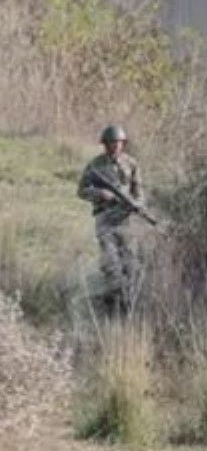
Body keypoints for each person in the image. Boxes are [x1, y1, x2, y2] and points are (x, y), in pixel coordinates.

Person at [76, 124, 145, 312]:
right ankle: (112, 301)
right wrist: (100, 194)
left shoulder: (131, 164)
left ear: (123, 144)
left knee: (130, 261)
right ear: (105, 144)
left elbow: (139, 192)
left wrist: (137, 204)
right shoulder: (95, 165)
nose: (115, 146)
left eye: (119, 143)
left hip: (126, 219)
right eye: (111, 143)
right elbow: (81, 191)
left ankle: (129, 301)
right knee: (110, 261)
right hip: (105, 218)